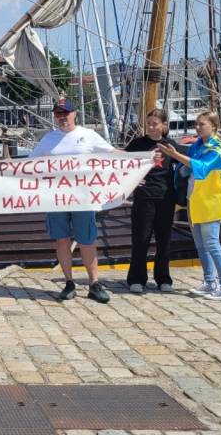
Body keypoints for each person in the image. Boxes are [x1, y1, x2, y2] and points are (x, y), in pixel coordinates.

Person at [30, 100, 115, 304]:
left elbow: (112, 154)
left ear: (74, 114)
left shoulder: (88, 135)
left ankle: (94, 283)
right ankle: (69, 283)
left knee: (87, 239)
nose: (62, 117)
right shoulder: (49, 139)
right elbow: (28, 163)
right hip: (55, 198)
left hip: (83, 197)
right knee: (61, 239)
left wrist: (143, 159)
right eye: (58, 113)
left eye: (65, 113)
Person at [157, 111, 221, 301]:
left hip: (209, 202)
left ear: (214, 126)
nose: (198, 127)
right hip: (195, 199)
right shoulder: (197, 145)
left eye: (202, 124)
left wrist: (175, 154)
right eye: (197, 124)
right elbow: (186, 164)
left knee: (212, 244)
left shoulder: (218, 147)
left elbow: (201, 167)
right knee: (201, 245)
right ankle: (210, 281)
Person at [125, 109, 177, 294]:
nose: (151, 127)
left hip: (166, 197)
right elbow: (123, 163)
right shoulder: (137, 144)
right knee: (141, 239)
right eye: (149, 123)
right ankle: (136, 278)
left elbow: (182, 166)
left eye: (155, 123)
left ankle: (163, 278)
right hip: (144, 197)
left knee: (164, 240)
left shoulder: (171, 145)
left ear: (163, 125)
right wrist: (132, 179)